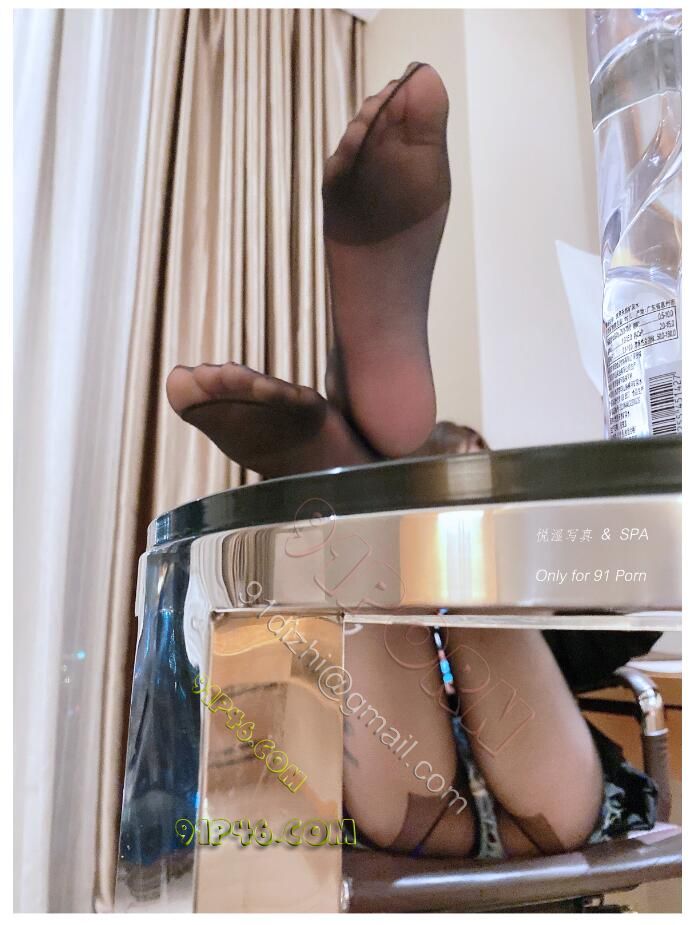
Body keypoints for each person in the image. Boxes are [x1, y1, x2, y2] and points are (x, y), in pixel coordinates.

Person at [165, 63, 657, 858]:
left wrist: (503, 549)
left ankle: (358, 486)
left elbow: (630, 615)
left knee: (451, 583)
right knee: (366, 581)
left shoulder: (553, 605)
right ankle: (369, 494)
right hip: (423, 807)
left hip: (527, 796)